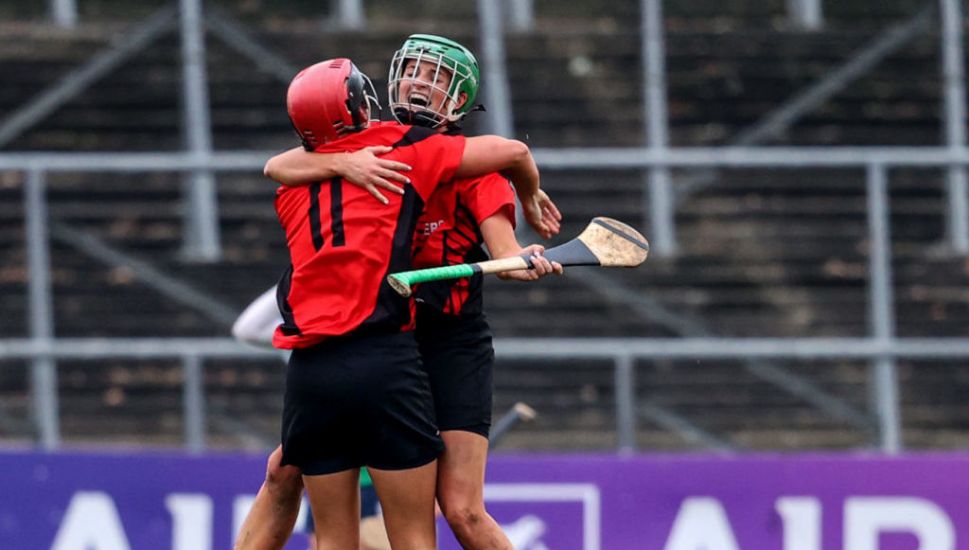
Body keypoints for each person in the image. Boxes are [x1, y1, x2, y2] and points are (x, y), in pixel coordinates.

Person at [235, 36, 562, 550]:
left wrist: (520, 258)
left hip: (448, 340)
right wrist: (345, 164)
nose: (421, 84)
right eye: (414, 73)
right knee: (282, 470)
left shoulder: (476, 165)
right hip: (382, 336)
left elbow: (504, 247)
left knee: (462, 510)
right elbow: (280, 165)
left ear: (459, 100)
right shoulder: (375, 144)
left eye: (437, 80)